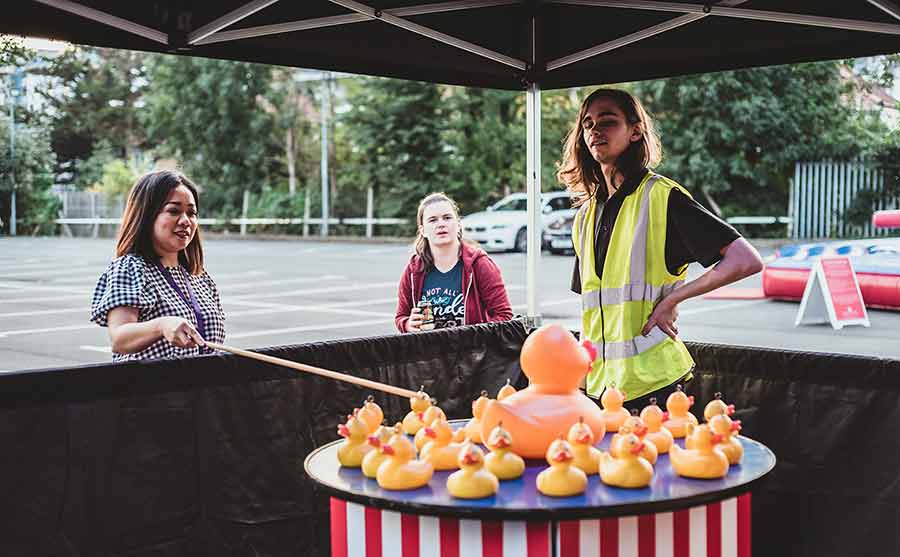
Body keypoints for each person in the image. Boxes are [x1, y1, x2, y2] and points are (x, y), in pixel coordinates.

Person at [557, 88, 763, 408]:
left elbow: (745, 260)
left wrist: (674, 299)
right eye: (587, 124)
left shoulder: (661, 197)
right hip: (601, 388)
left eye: (608, 121)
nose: (594, 130)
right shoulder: (585, 216)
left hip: (654, 387)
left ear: (636, 130)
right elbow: (594, 312)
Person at [90, 170, 225, 361]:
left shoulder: (200, 277)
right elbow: (119, 339)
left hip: (201, 390)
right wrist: (161, 326)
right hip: (151, 389)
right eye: (174, 211)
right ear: (147, 215)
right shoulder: (131, 268)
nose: (186, 221)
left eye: (192, 213)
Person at [396, 192, 513, 332]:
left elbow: (504, 316)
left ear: (458, 224)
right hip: (429, 352)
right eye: (433, 220)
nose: (441, 224)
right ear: (422, 230)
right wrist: (408, 324)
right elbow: (401, 316)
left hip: (472, 352)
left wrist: (474, 336)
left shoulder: (480, 264)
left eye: (447, 218)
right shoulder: (413, 270)